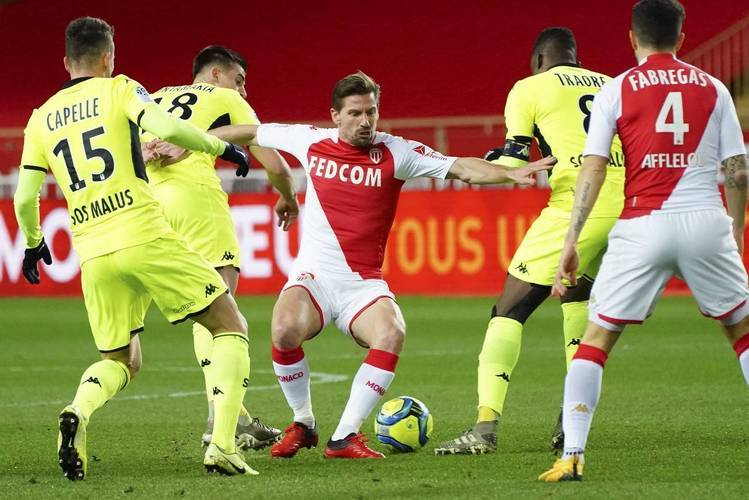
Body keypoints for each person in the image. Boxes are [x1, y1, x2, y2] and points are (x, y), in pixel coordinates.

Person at [206, 70, 556, 459]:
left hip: (362, 284)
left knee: (391, 332)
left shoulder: (396, 152)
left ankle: (344, 436)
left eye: (371, 112)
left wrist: (510, 173)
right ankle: (303, 423)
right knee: (284, 328)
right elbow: (250, 132)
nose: (365, 121)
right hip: (314, 278)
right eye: (355, 113)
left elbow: (462, 167)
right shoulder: (310, 140)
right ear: (335, 115)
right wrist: (191, 140)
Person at [14, 17, 259, 479]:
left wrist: (32, 242)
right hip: (144, 233)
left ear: (66, 62)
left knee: (121, 360)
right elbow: (167, 126)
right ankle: (223, 445)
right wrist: (222, 148)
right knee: (230, 324)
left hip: (92, 251)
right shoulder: (121, 89)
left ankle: (77, 410)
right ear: (108, 57)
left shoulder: (39, 117)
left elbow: (25, 197)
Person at [539, 0, 749, 482]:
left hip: (642, 224)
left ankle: (572, 455)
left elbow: (593, 167)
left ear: (633, 38)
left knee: (596, 341)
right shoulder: (714, 88)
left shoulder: (616, 89)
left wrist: (572, 238)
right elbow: (738, 171)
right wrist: (736, 232)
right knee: (742, 332)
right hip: (705, 219)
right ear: (681, 38)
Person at [435, 27, 625, 455]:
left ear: (539, 60)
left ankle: (484, 428)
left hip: (577, 205)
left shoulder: (529, 87)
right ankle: (571, 416)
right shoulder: (611, 84)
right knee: (576, 299)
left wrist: (486, 164)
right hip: (628, 209)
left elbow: (515, 158)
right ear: (576, 57)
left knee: (509, 309)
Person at [140, 45, 298, 451]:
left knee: (203, 310)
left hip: (148, 207)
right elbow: (274, 163)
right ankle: (220, 419)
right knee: (219, 311)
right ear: (214, 75)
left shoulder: (152, 98)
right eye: (238, 80)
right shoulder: (223, 98)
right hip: (196, 203)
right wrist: (289, 197)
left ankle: (237, 417)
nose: (242, 91)